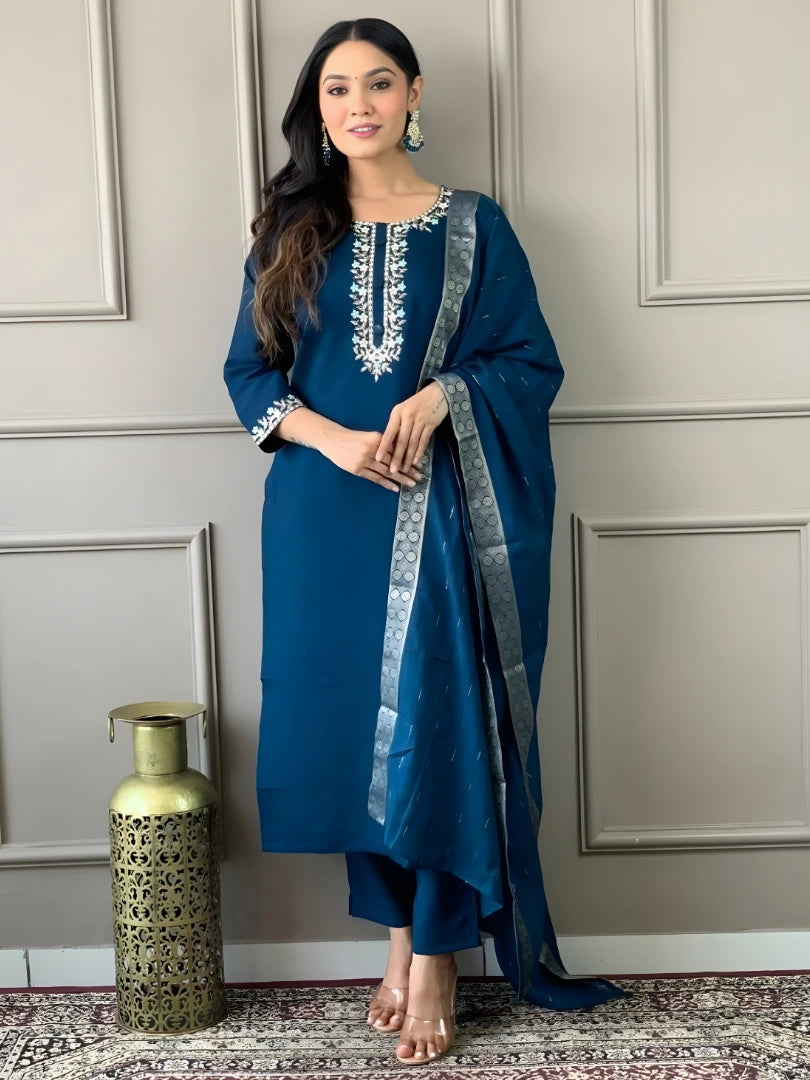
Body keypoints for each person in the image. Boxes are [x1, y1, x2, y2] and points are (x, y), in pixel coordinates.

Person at [223, 16, 629, 1067]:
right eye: (334, 90)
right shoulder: (288, 229)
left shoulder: (474, 227)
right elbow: (250, 379)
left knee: (439, 722)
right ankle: (398, 935)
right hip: (323, 516)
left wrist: (449, 396)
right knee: (347, 729)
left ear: (414, 96)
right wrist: (338, 439)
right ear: (317, 111)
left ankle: (442, 950)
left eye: (378, 83)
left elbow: (529, 366)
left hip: (443, 509)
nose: (356, 105)